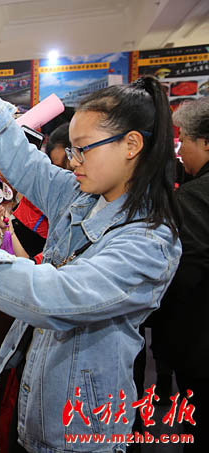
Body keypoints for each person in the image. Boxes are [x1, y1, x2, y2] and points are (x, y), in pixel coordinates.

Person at [0, 65, 181, 453]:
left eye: (84, 148)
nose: (73, 161)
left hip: (82, 427)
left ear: (131, 145)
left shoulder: (150, 242)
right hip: (38, 391)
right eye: (72, 149)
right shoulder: (83, 196)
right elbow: (30, 168)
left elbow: (59, 294)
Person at [151, 97, 209, 453]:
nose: (180, 150)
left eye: (184, 140)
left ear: (206, 142)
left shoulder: (193, 197)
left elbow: (186, 274)